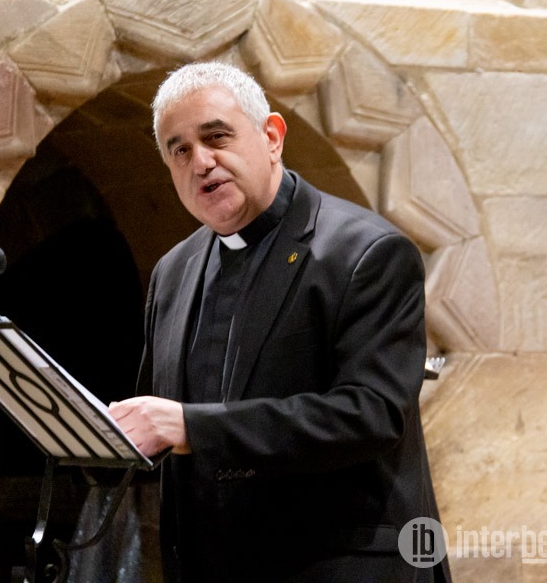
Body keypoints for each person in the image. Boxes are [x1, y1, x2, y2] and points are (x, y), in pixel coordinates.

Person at [109, 62, 450, 583]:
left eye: (216, 137)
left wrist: (193, 427)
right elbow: (159, 431)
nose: (201, 161)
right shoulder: (173, 273)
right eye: (180, 151)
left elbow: (372, 414)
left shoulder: (366, 252)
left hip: (338, 566)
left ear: (271, 137)